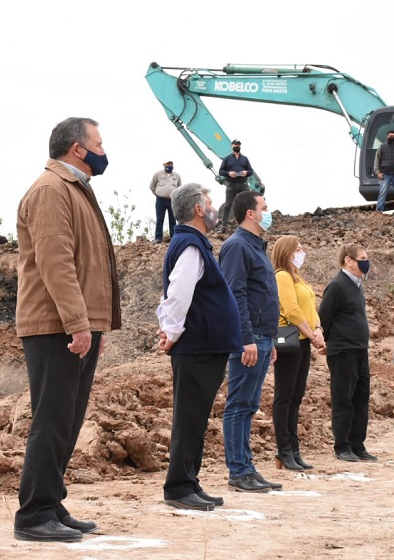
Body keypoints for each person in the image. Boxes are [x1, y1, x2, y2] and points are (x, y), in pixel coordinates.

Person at [13, 117, 121, 543]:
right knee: (53, 418)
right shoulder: (50, 191)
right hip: (54, 324)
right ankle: (34, 515)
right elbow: (55, 264)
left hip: (76, 323)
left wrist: (92, 322)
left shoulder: (74, 188)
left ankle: (51, 502)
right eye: (98, 141)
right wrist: (77, 323)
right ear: (78, 148)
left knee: (68, 418)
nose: (102, 148)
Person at [156, 183, 243, 511]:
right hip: (196, 346)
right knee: (189, 418)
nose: (213, 208)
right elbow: (177, 294)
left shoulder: (192, 243)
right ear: (197, 209)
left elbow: (172, 296)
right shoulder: (190, 244)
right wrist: (172, 332)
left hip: (202, 346)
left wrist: (170, 328)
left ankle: (189, 482)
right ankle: (178, 487)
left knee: (195, 417)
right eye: (208, 202)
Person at [219, 190, 280, 492]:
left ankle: (248, 468)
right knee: (239, 405)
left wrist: (270, 340)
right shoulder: (236, 246)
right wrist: (246, 339)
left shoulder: (257, 246)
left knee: (249, 405)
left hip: (262, 337)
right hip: (249, 338)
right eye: (265, 208)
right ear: (250, 213)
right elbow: (236, 295)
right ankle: (238, 471)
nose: (270, 212)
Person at [271, 236, 325, 471]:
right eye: (298, 249)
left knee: (296, 396)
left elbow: (310, 308)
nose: (302, 252)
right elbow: (291, 310)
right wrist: (312, 335)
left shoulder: (298, 278)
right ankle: (283, 449)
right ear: (287, 252)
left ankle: (293, 449)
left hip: (303, 341)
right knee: (285, 396)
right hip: (291, 341)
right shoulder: (282, 276)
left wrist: (319, 329)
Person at [318, 244, 377, 462]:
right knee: (343, 398)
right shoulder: (337, 285)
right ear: (348, 260)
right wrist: (325, 341)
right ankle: (342, 446)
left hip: (360, 349)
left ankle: (357, 444)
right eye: (362, 257)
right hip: (343, 350)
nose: (366, 261)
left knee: (361, 398)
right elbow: (324, 316)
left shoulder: (357, 285)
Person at [218, 139, 254, 229]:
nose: (237, 146)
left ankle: (249, 224)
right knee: (228, 205)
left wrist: (246, 172)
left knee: (248, 204)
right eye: (235, 144)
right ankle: (224, 226)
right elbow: (221, 171)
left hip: (243, 184)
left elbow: (251, 171)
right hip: (231, 185)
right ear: (232, 146)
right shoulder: (227, 159)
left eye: (238, 145)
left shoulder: (244, 159)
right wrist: (229, 173)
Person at [149, 160, 182, 244]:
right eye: (168, 164)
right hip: (160, 200)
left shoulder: (176, 176)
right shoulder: (158, 174)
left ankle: (174, 237)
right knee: (160, 219)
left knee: (173, 219)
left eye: (171, 164)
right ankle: (158, 238)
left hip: (172, 200)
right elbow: (152, 186)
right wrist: (158, 194)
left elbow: (179, 188)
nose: (170, 165)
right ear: (164, 165)